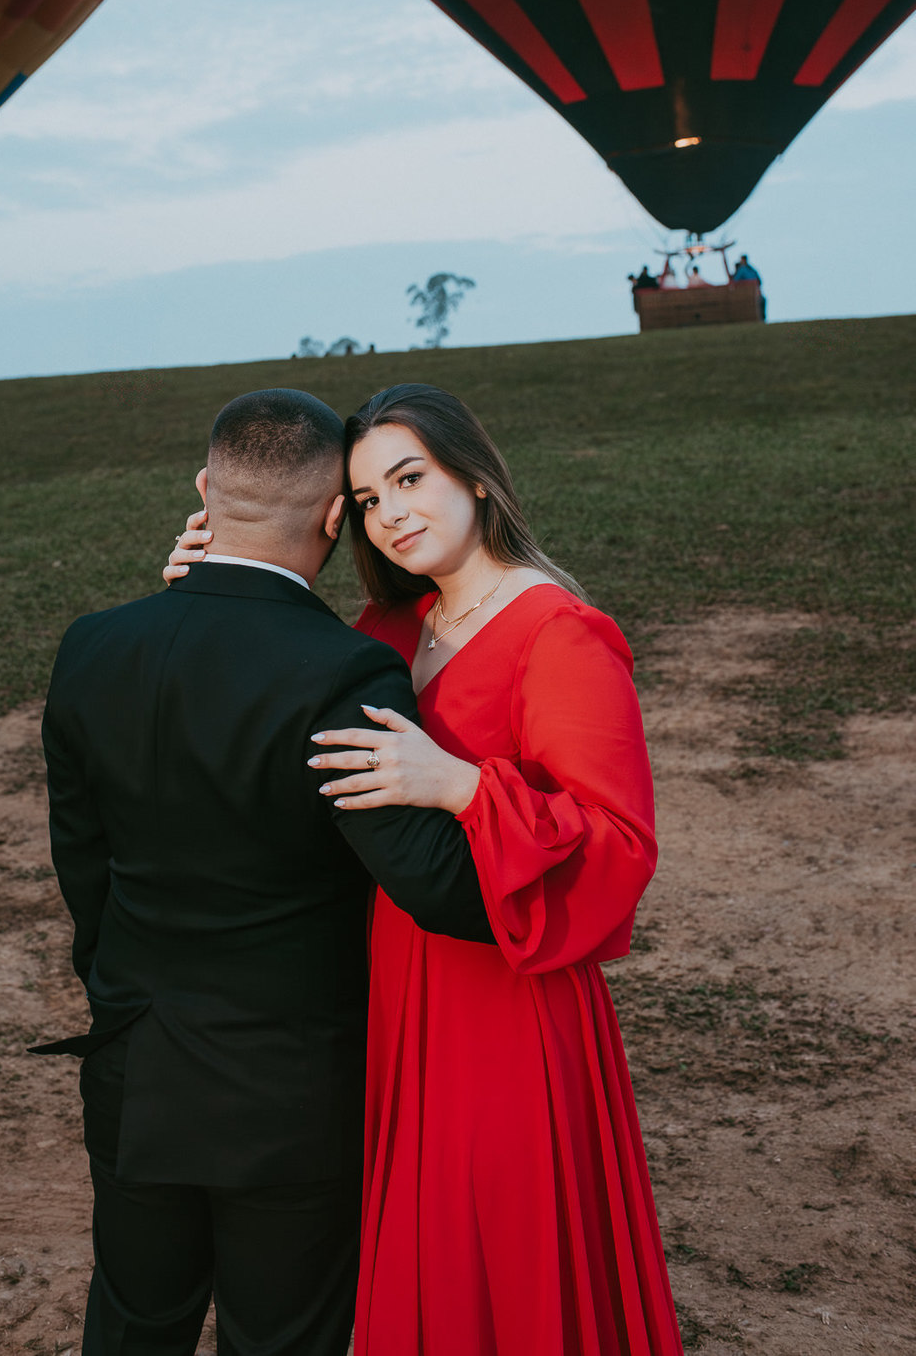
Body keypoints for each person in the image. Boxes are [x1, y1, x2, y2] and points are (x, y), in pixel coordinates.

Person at [168, 384, 683, 1356]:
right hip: (399, 987)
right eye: (366, 499)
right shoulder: (389, 632)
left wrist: (465, 788)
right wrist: (213, 577)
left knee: (503, 1242)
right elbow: (283, 682)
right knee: (430, 1242)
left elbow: (619, 842)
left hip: (507, 998)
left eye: (410, 479)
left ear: (476, 478)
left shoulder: (558, 632)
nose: (392, 512)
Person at [37, 388, 493, 1356]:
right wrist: (493, 795)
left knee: (133, 1322)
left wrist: (119, 994)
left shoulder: (92, 648)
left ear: (206, 489)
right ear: (338, 516)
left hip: (137, 1059)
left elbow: (82, 865)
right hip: (291, 1093)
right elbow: (434, 885)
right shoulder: (340, 669)